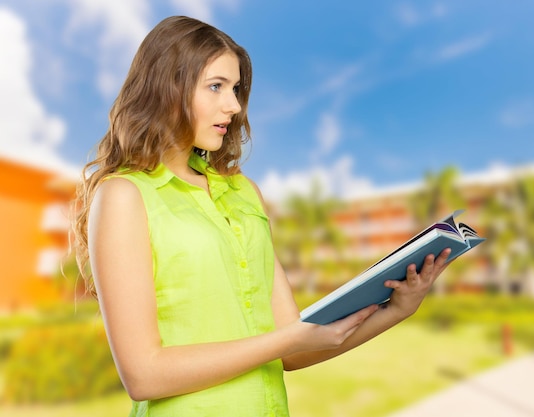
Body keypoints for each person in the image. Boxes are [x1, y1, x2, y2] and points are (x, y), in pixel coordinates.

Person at [71, 15, 452, 417]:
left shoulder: (244, 193)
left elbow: (294, 348)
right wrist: (285, 341)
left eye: (235, 89)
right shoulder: (123, 195)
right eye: (215, 87)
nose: (233, 106)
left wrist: (397, 310)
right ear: (166, 88)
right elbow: (143, 375)